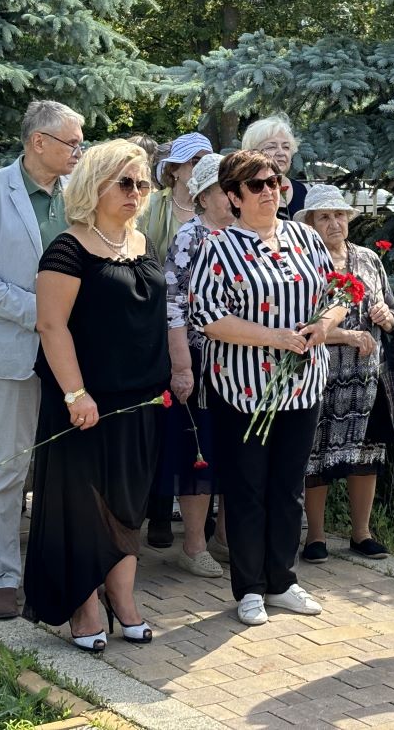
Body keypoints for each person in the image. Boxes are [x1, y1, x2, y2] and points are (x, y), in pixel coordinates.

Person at [23, 139, 168, 651]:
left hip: (143, 401)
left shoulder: (143, 244)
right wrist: (75, 394)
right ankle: (83, 605)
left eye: (142, 184)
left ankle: (123, 600)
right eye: (124, 182)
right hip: (85, 403)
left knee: (129, 504)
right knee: (80, 505)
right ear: (94, 185)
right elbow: (50, 325)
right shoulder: (67, 247)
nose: (135, 192)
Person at [189, 150, 343, 626]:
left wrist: (323, 325)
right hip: (244, 391)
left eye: (274, 181)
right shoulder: (218, 247)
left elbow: (337, 294)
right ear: (233, 196)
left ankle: (282, 580)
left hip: (302, 387)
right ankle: (249, 587)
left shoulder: (304, 238)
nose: (269, 190)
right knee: (247, 488)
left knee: (287, 487)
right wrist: (273, 337)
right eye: (256, 185)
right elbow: (207, 317)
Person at [0, 100, 83, 620]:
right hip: (16, 348)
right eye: (72, 142)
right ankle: (2, 576)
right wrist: (39, 313)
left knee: (69, 464)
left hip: (74, 350)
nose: (79, 151)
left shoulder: (79, 192)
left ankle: (65, 568)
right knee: (10, 465)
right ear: (39, 143)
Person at [296, 185, 394, 563]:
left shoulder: (369, 259)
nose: (334, 222)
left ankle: (362, 533)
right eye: (324, 216)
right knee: (316, 455)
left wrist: (387, 318)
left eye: (339, 215)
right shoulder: (305, 262)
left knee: (366, 456)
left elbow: (392, 308)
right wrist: (345, 334)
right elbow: (301, 324)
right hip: (321, 376)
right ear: (309, 223)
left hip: (367, 379)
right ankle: (316, 537)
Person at [138, 131, 213, 548]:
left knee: (194, 424)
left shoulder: (221, 205)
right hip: (156, 325)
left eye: (205, 158)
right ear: (175, 169)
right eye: (192, 160)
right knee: (161, 417)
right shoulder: (155, 207)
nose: (198, 166)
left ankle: (190, 514)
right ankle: (157, 508)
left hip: (206, 331)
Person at [160, 153, 231, 578]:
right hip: (200, 358)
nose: (234, 197)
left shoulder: (245, 233)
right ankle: (193, 544)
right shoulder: (191, 236)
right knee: (198, 449)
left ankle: (225, 538)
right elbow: (173, 303)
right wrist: (181, 364)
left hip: (240, 361)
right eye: (225, 189)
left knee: (232, 448)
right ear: (203, 196)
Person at [242, 116, 308, 219]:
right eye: (271, 147)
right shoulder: (247, 190)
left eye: (286, 147)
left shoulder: (303, 191)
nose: (281, 153)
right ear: (253, 153)